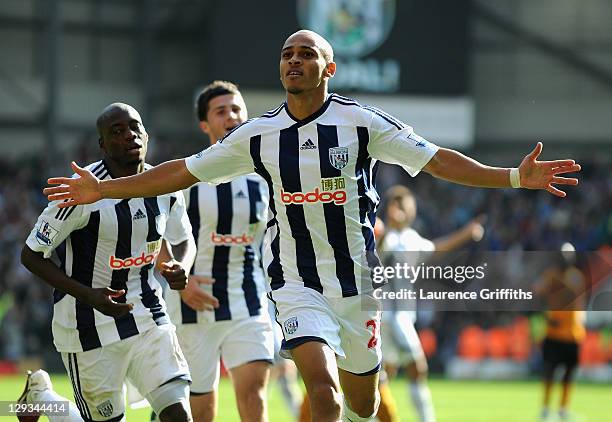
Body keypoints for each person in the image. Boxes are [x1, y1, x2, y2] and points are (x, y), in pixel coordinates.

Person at [44, 30, 581, 422]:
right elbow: (181, 171)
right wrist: (105, 188)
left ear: (329, 69)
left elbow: (437, 160)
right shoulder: (259, 135)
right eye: (287, 55)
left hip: (359, 286)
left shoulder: (362, 123)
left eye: (307, 54)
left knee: (362, 403)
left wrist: (512, 176)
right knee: (319, 390)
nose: (294, 61)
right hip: (297, 285)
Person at [21, 103, 196, 422]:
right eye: (117, 131)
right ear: (102, 145)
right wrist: (87, 294)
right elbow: (31, 255)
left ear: (146, 134)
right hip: (88, 325)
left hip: (148, 315)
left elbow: (181, 238)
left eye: (135, 127)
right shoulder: (80, 192)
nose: (129, 134)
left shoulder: (165, 185)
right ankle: (43, 397)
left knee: (179, 414)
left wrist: (179, 264)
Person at [163, 80, 275, 422]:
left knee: (254, 390)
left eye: (236, 109)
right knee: (202, 408)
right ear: (204, 125)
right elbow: (154, 233)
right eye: (220, 111)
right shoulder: (186, 176)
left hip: (248, 299)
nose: (231, 116)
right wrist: (181, 282)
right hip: (193, 302)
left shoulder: (267, 175)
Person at [376, 185, 485, 422]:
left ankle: (368, 414)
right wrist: (384, 230)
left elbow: (435, 249)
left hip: (400, 315)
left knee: (385, 375)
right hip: (391, 316)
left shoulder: (410, 238)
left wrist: (466, 234)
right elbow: (378, 249)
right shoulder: (386, 235)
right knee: (418, 368)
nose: (404, 210)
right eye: (399, 205)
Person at [535, 244, 586, 421]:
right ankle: (545, 409)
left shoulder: (576, 277)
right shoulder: (550, 275)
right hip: (554, 334)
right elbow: (536, 294)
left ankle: (563, 410)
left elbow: (580, 304)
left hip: (573, 334)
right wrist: (546, 315)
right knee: (549, 373)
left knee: (568, 376)